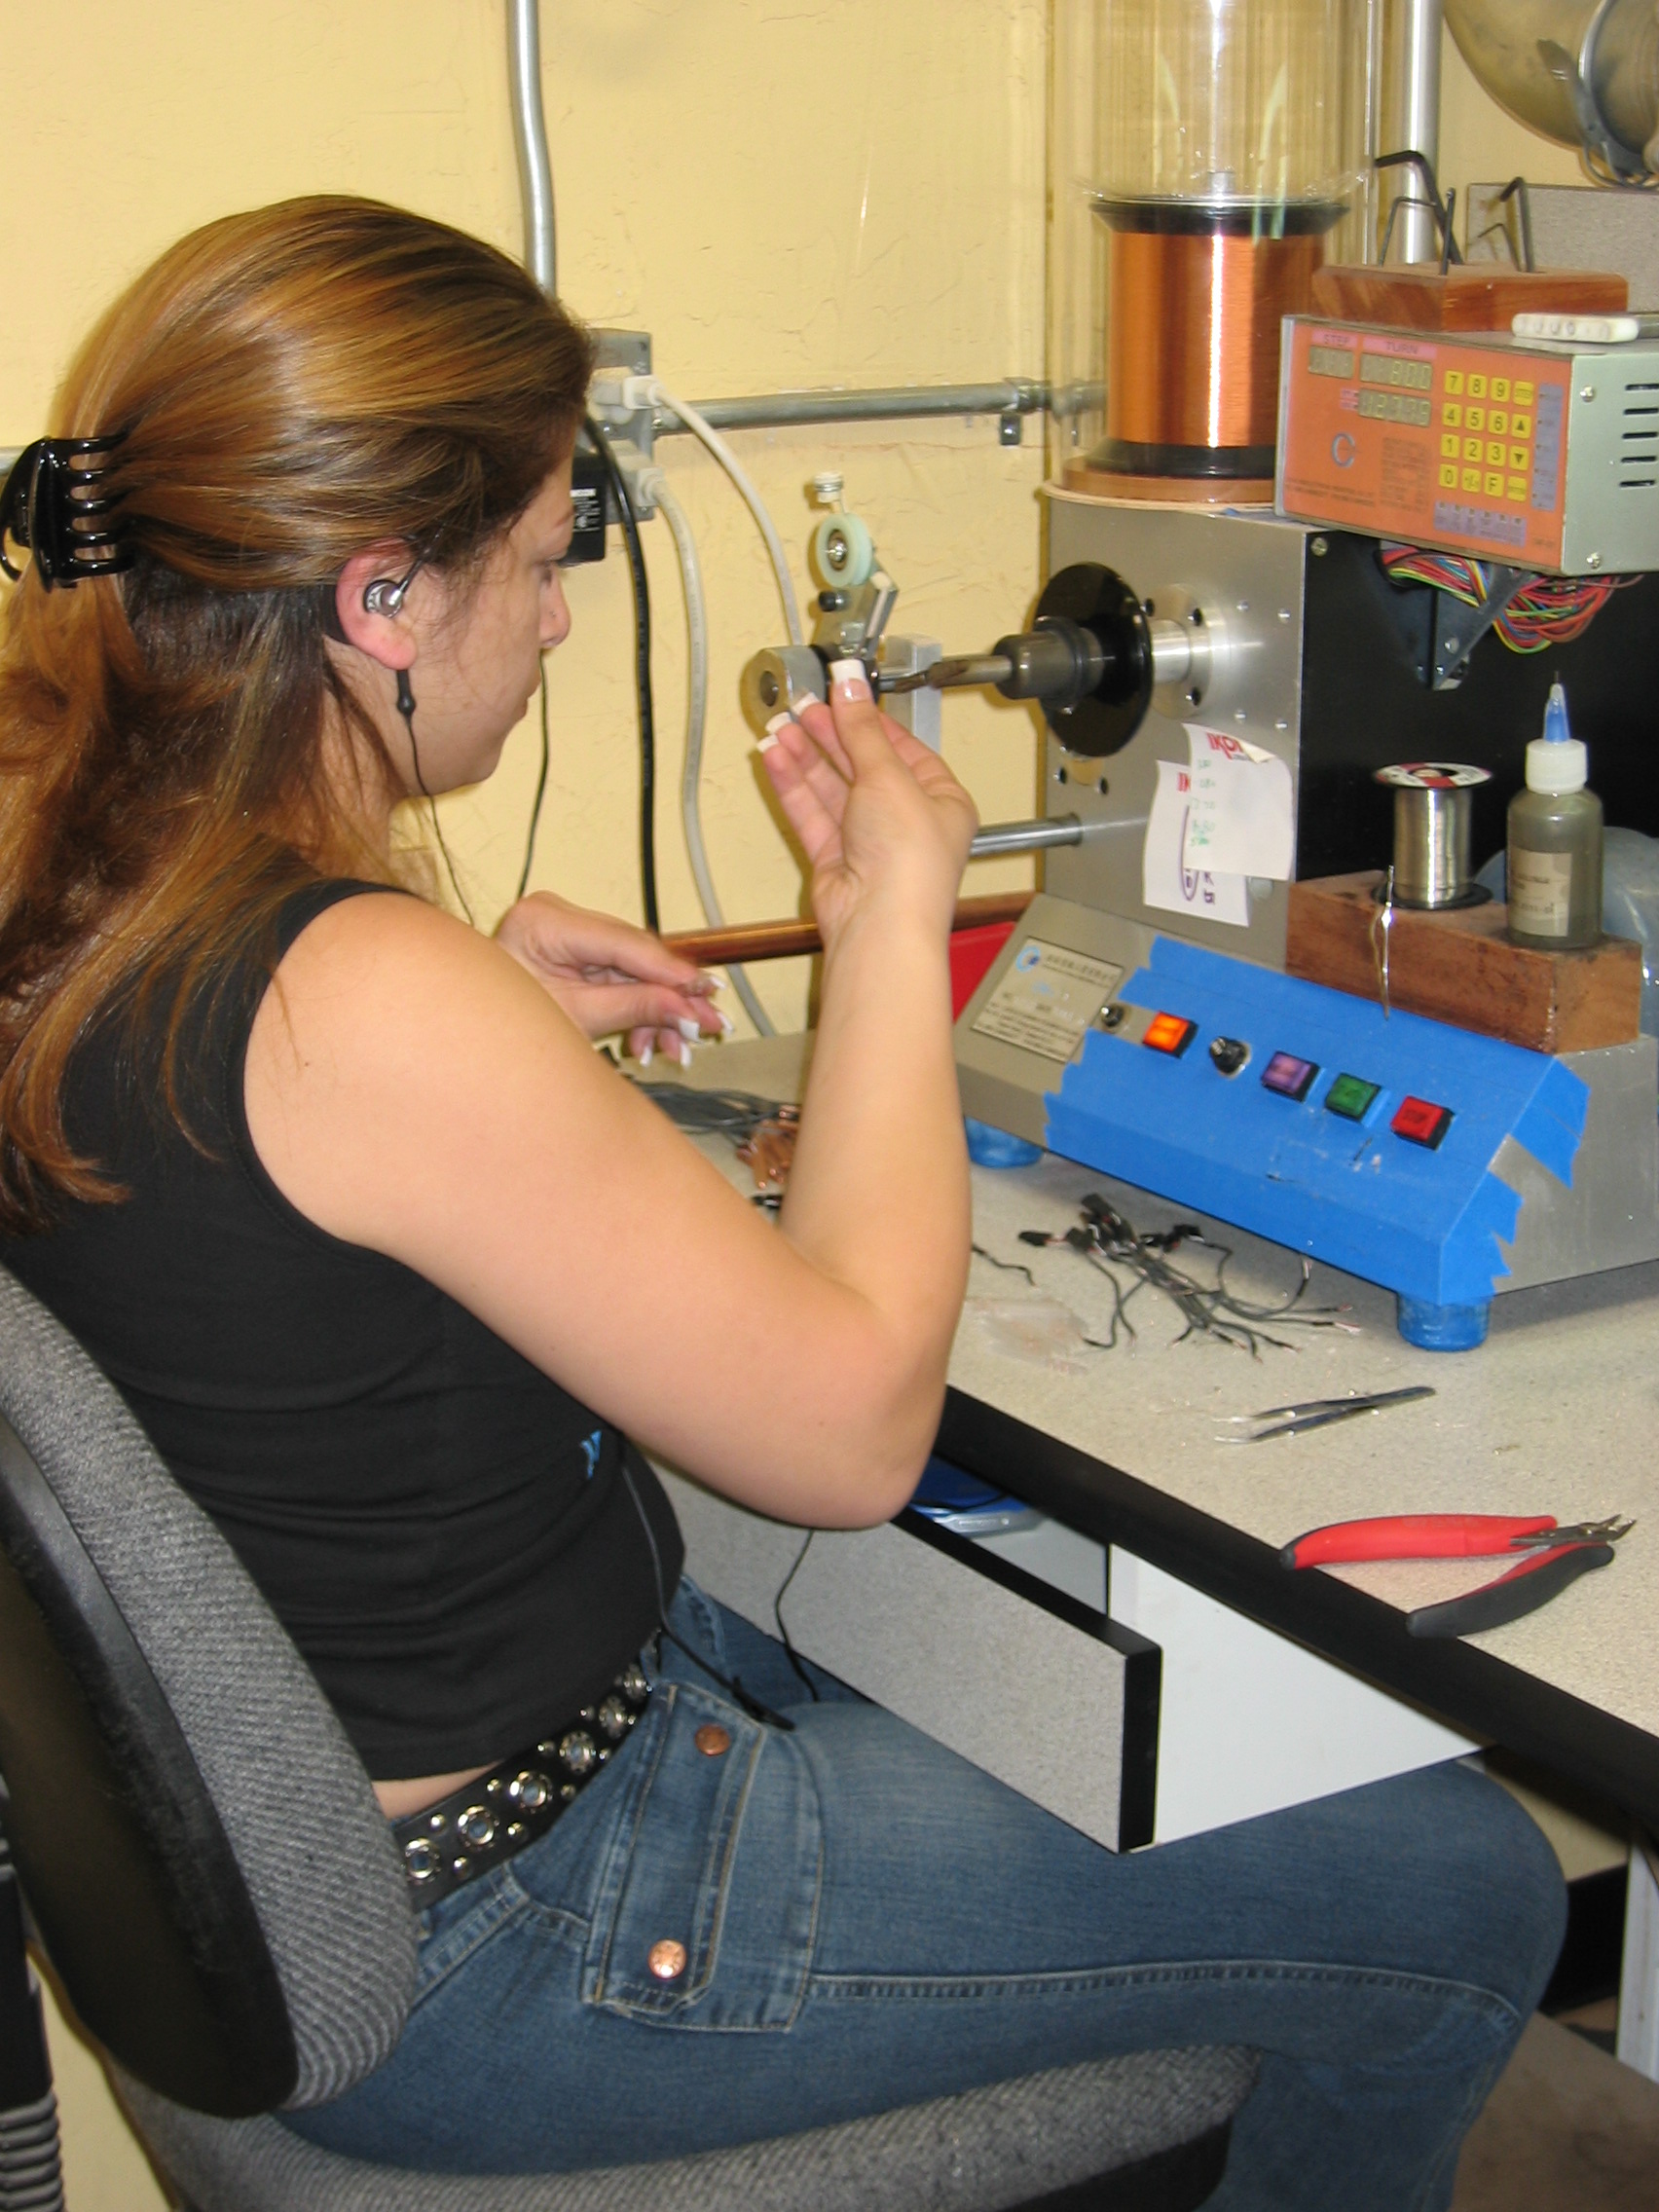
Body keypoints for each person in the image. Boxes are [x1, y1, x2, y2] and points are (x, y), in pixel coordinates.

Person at [0, 198, 1563, 2208]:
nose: (557, 618)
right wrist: (887, 914)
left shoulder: (76, 861)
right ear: (382, 596)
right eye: (542, 552)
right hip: (530, 1927)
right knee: (1455, 1878)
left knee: (1076, 1695)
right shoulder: (359, 998)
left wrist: (473, 1006)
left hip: (344, 1845)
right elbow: (849, 1433)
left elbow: (257, 1146)